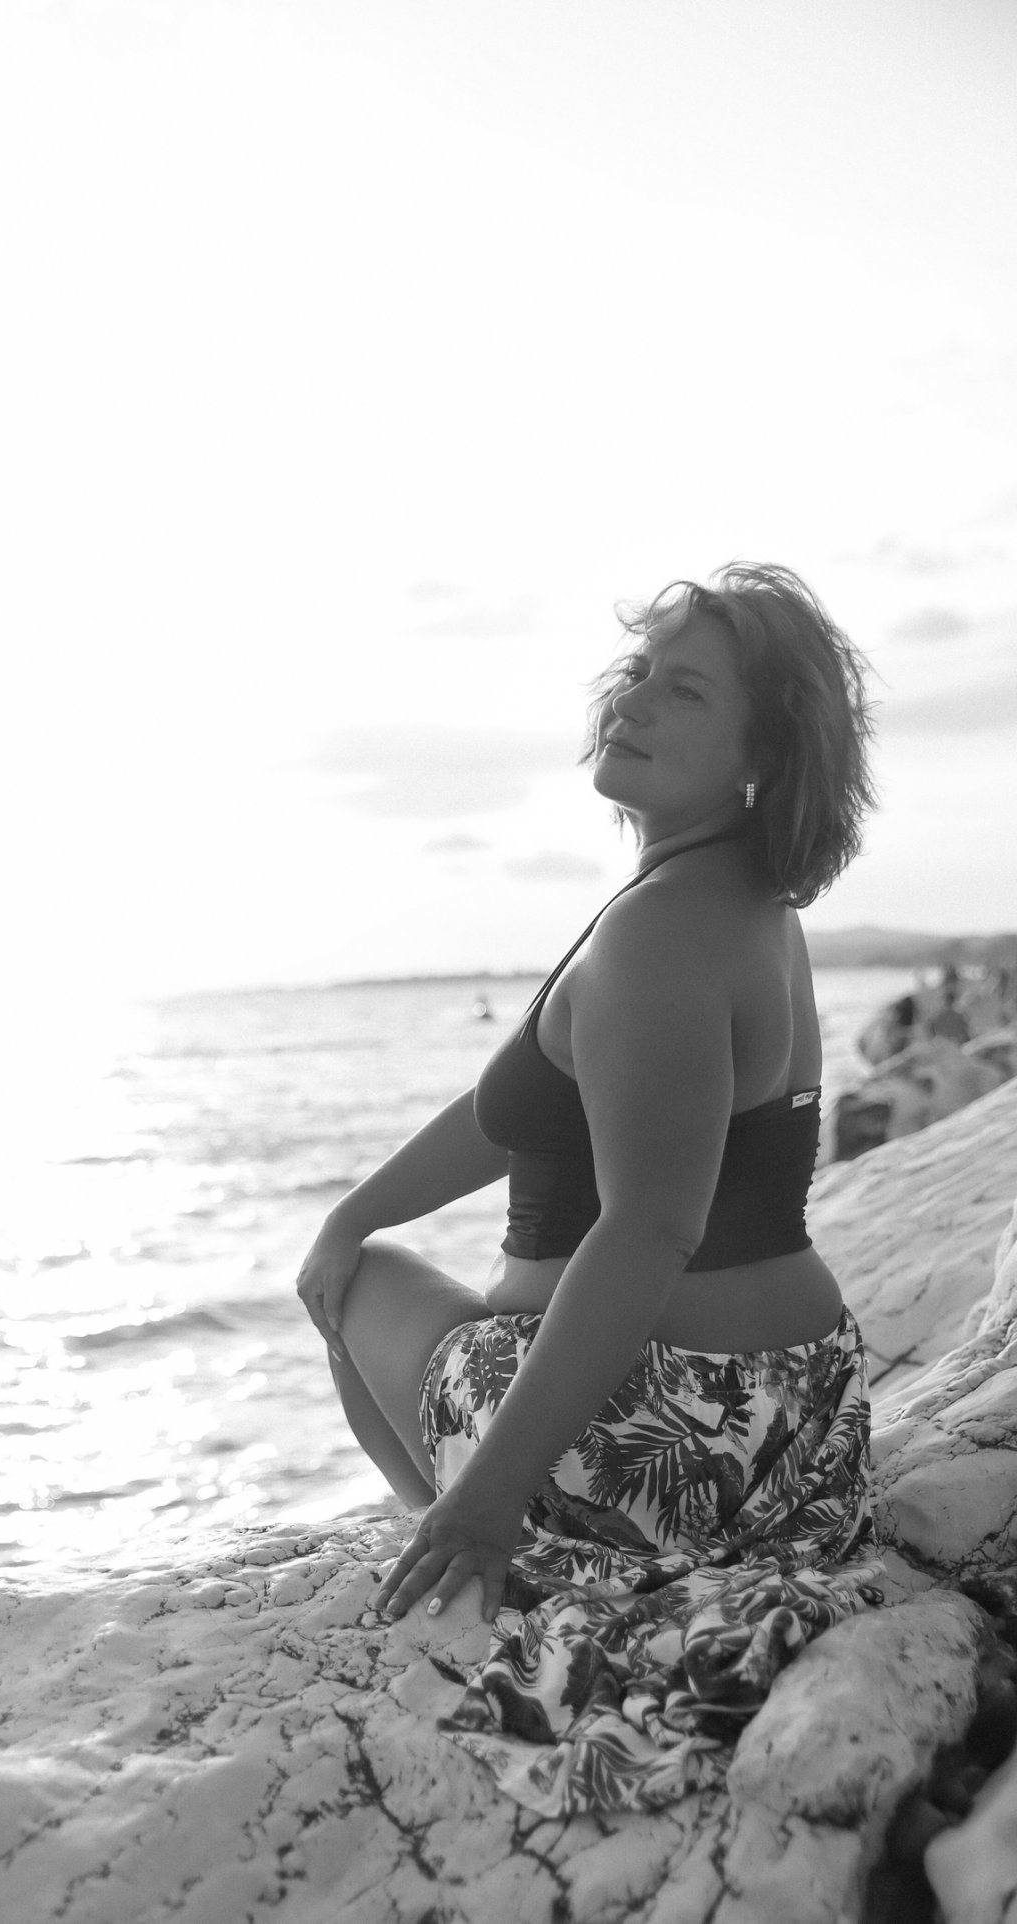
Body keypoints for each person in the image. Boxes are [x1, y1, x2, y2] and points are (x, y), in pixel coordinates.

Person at [296, 562, 883, 1815]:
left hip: (666, 1440)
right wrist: (357, 1208)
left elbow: (650, 1230)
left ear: (760, 753)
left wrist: (489, 1491)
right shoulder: (731, 900)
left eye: (684, 690)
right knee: (361, 1250)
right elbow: (514, 1110)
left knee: (357, 1294)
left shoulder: (658, 930)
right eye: (637, 674)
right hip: (802, 1429)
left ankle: (480, 1548)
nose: (634, 701)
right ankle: (499, 1526)